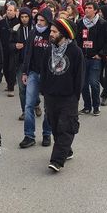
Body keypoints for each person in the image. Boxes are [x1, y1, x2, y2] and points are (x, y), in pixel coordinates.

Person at [40, 18, 84, 172]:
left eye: (54, 31)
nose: (50, 34)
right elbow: (44, 71)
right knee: (55, 125)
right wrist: (43, 90)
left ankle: (57, 161)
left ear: (64, 34)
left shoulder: (75, 52)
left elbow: (79, 75)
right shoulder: (48, 50)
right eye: (51, 31)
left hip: (68, 96)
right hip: (51, 95)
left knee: (66, 126)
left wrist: (76, 96)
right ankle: (66, 150)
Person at [19, 9, 53, 148]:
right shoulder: (33, 32)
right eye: (37, 20)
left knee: (48, 106)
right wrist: (25, 72)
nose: (39, 23)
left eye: (42, 21)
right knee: (29, 105)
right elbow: (28, 53)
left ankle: (47, 134)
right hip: (33, 72)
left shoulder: (52, 34)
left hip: (49, 74)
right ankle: (29, 135)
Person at [76, 1, 107, 116]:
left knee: (93, 82)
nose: (87, 10)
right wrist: (79, 52)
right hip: (83, 58)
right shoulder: (80, 23)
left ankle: (96, 106)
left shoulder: (102, 23)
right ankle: (87, 107)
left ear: (95, 10)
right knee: (83, 84)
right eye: (86, 8)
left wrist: (100, 54)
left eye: (90, 8)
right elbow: (77, 40)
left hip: (95, 58)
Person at [11, 7, 33, 120]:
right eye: (22, 17)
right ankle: (25, 111)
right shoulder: (16, 29)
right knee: (22, 88)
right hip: (20, 63)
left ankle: (36, 103)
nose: (24, 19)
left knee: (34, 88)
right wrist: (15, 46)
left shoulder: (35, 29)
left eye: (26, 17)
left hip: (33, 63)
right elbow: (9, 44)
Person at [0, 3, 20, 96]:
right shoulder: (2, 23)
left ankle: (11, 88)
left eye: (11, 10)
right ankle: (9, 82)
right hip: (3, 49)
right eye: (8, 10)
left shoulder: (19, 22)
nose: (9, 12)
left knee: (12, 68)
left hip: (14, 50)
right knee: (5, 68)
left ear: (15, 11)